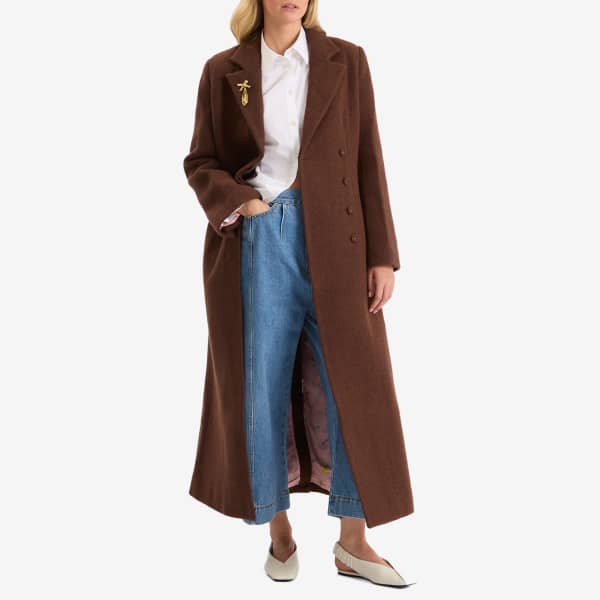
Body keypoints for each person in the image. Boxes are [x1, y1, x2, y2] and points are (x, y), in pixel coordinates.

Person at [183, 0, 414, 586]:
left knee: (352, 383)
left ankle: (353, 541)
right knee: (261, 383)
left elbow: (368, 156)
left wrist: (382, 254)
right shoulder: (223, 70)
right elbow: (201, 160)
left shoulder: (347, 61)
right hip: (261, 237)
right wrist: (245, 204)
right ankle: (279, 530)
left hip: (339, 240)